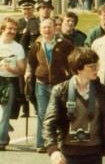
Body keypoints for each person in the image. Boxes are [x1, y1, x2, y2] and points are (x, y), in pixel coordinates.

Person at [43, 47, 105, 164]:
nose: (96, 69)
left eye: (97, 65)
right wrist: (53, 150)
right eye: (91, 66)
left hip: (94, 153)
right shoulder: (60, 90)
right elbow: (49, 122)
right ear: (78, 69)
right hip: (67, 153)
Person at [26, 18, 74, 153]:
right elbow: (30, 61)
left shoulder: (65, 44)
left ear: (55, 28)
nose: (47, 30)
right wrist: (29, 72)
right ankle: (41, 143)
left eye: (49, 27)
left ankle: (61, 141)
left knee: (60, 113)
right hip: (41, 83)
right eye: (44, 27)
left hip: (60, 84)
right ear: (41, 30)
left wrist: (71, 76)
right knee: (42, 113)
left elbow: (73, 60)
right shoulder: (37, 44)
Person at [0, 18, 26, 150]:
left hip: (9, 81)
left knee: (5, 112)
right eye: (9, 28)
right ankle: (4, 129)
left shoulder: (18, 47)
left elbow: (22, 69)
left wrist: (12, 70)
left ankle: (1, 140)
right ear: (2, 29)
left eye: (14, 29)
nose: (12, 31)